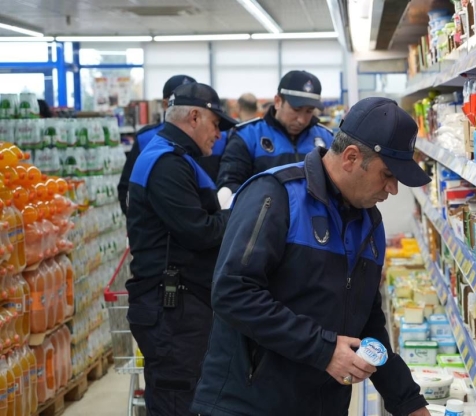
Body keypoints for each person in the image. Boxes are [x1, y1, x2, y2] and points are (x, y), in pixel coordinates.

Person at [192, 97, 432, 416]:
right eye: (387, 174)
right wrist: (324, 349)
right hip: (249, 403)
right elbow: (232, 292)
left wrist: (408, 403)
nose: (393, 189)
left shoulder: (368, 222)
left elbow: (367, 317)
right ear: (350, 157)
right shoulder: (274, 196)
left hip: (323, 404)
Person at [126, 82, 237, 416]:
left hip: (178, 305)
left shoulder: (174, 158)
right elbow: (199, 232)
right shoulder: (167, 164)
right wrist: (241, 215)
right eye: (216, 125)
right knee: (177, 399)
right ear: (194, 116)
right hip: (171, 309)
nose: (218, 135)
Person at [215, 70, 335, 208]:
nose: (302, 120)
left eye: (309, 111)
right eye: (296, 109)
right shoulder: (248, 136)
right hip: (265, 224)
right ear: (278, 101)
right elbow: (229, 185)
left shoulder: (327, 139)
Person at [117, 74, 229, 214]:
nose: (217, 133)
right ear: (166, 105)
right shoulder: (147, 140)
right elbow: (126, 188)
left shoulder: (219, 138)